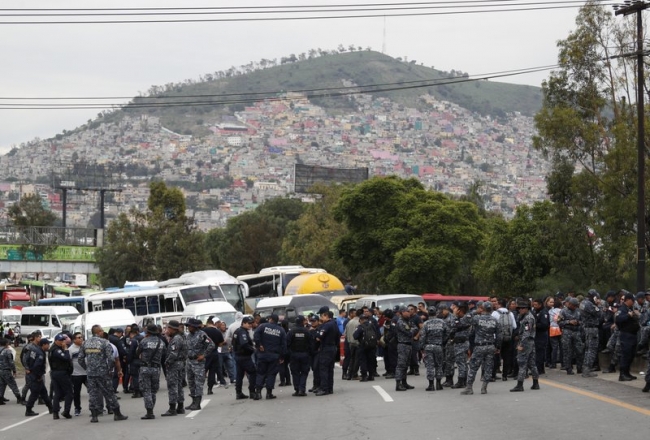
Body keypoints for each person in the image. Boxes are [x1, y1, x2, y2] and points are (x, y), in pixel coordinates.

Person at [78, 325, 127, 423]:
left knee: (93, 394)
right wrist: (109, 369)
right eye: (102, 331)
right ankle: (117, 414)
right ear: (99, 332)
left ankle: (94, 416)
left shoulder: (85, 343)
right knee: (109, 393)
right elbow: (111, 359)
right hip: (103, 373)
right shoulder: (105, 342)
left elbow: (80, 359)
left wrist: (87, 368)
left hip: (91, 373)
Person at [461, 302, 502, 395]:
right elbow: (499, 335)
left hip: (479, 346)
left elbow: (464, 320)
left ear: (482, 309)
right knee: (488, 367)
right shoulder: (495, 320)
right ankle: (484, 388)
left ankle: (469, 388)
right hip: (490, 346)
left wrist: (474, 311)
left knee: (473, 367)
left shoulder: (477, 318)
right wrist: (498, 346)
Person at [253, 314, 286, 400]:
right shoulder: (281, 330)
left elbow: (256, 335)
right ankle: (269, 393)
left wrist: (259, 344)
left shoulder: (263, 326)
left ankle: (258, 392)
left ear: (270, 319)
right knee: (271, 374)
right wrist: (282, 356)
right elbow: (283, 345)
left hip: (263, 354)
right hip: (274, 356)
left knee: (261, 373)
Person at [136, 324, 166, 420]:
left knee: (146, 390)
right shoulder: (161, 342)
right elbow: (164, 353)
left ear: (148, 332)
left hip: (145, 368)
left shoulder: (144, 341)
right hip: (156, 369)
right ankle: (151, 409)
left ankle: (149, 412)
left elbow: (137, 352)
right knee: (153, 391)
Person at [184, 318, 215, 410]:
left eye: (190, 326)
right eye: (188, 326)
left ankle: (197, 403)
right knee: (191, 382)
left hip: (198, 362)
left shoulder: (202, 335)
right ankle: (193, 401)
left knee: (198, 383)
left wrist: (204, 355)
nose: (188, 327)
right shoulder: (188, 336)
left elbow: (211, 345)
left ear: (194, 326)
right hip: (189, 361)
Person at [510, 299, 540, 392]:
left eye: (522, 308)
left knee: (522, 363)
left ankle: (520, 384)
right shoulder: (525, 317)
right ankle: (535, 383)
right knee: (531, 363)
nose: (520, 310)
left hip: (526, 342)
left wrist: (521, 345)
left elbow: (526, 333)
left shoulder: (528, 318)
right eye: (519, 308)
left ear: (527, 308)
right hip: (529, 341)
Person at [161, 320, 187, 417]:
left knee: (172, 386)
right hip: (180, 364)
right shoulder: (181, 337)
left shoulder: (176, 339)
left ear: (172, 329)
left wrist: (167, 362)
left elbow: (173, 353)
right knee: (179, 386)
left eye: (168, 328)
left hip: (174, 365)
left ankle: (172, 408)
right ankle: (180, 407)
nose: (167, 330)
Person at [419, 306, 448, 391]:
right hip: (438, 346)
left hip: (428, 346)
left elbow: (422, 336)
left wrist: (422, 347)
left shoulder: (426, 323)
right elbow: (448, 332)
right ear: (436, 313)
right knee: (439, 365)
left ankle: (431, 385)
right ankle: (439, 384)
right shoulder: (442, 322)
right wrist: (443, 341)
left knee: (430, 366)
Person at [24, 338, 53, 416]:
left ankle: (51, 407)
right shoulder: (40, 353)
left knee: (43, 392)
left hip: (33, 374)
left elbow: (26, 359)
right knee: (34, 393)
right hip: (35, 376)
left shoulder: (35, 350)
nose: (49, 346)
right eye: (48, 344)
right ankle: (28, 410)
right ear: (43, 345)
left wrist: (28, 368)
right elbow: (37, 366)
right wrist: (38, 376)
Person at [616, 292, 640, 381]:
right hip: (626, 335)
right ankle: (622, 374)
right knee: (625, 355)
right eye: (632, 300)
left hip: (633, 334)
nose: (633, 302)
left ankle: (627, 373)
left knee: (631, 355)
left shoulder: (630, 308)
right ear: (628, 300)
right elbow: (618, 319)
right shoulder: (622, 309)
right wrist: (628, 315)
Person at [315, 308, 340, 396]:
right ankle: (330, 388)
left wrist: (317, 335)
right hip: (333, 348)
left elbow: (319, 337)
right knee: (330, 369)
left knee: (324, 369)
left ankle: (324, 388)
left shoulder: (327, 325)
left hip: (326, 348)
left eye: (321, 316)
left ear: (326, 315)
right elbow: (338, 337)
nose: (321, 318)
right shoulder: (335, 324)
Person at [49, 333, 74, 419]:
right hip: (61, 373)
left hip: (56, 373)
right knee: (69, 392)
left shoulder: (55, 349)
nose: (62, 342)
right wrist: (66, 349)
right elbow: (66, 358)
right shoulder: (56, 350)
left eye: (63, 340)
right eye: (60, 340)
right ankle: (66, 411)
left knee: (58, 393)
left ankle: (55, 413)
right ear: (56, 341)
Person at [232, 316, 257, 400]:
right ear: (243, 323)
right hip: (244, 356)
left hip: (238, 356)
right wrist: (253, 350)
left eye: (251, 323)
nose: (250, 325)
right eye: (249, 323)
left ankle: (238, 393)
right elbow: (244, 344)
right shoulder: (242, 332)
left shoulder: (238, 331)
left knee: (239, 375)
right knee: (253, 372)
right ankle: (252, 391)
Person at [558, 297, 584, 375]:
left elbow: (583, 321)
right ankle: (568, 368)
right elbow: (559, 322)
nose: (574, 307)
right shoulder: (563, 311)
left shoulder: (579, 311)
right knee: (567, 351)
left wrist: (578, 322)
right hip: (567, 332)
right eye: (572, 305)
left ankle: (580, 367)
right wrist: (569, 322)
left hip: (577, 332)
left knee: (579, 350)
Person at [580, 290, 602, 377]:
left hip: (586, 328)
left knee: (587, 349)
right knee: (591, 350)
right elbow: (599, 314)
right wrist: (598, 305)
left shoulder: (583, 303)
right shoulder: (590, 304)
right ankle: (587, 370)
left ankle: (585, 368)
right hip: (592, 328)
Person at [287, 315, 311, 396]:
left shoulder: (291, 331)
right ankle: (302, 389)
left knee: (295, 372)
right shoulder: (307, 331)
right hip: (305, 354)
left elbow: (287, 343)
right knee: (304, 372)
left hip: (294, 354)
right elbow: (311, 343)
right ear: (302, 321)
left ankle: (297, 389)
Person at [450, 303, 472, 389]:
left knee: (461, 363)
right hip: (460, 343)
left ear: (460, 310)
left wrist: (455, 315)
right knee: (462, 363)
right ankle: (463, 381)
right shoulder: (462, 318)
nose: (455, 310)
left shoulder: (466, 318)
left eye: (456, 309)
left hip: (461, 343)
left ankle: (461, 381)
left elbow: (454, 325)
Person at [395, 306, 417, 391]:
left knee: (406, 365)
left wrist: (413, 329)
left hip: (409, 345)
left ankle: (404, 382)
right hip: (403, 345)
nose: (409, 313)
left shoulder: (408, 321)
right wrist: (412, 330)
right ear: (402, 312)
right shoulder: (401, 322)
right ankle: (398, 383)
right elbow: (409, 333)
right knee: (401, 365)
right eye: (407, 311)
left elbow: (415, 328)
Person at [202, 316, 225, 395]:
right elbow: (221, 343)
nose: (219, 324)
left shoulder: (203, 331)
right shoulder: (217, 332)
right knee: (212, 371)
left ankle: (198, 388)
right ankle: (210, 389)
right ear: (214, 323)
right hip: (214, 353)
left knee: (202, 370)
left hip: (204, 354)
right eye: (218, 323)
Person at [353, 314, 377, 382]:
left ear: (360, 320)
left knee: (363, 361)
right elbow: (376, 333)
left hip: (363, 346)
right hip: (372, 346)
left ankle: (364, 376)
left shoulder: (360, 327)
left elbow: (355, 336)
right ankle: (371, 375)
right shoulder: (371, 325)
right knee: (370, 360)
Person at [68, 332, 86, 416]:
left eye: (81, 337)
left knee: (93, 390)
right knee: (76, 393)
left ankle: (97, 406)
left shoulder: (85, 347)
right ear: (74, 340)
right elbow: (69, 362)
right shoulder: (71, 349)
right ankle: (77, 408)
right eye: (79, 337)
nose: (81, 339)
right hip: (76, 374)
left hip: (87, 373)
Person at [0, 337, 22, 404]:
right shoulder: (7, 351)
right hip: (6, 370)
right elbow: (11, 362)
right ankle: (19, 397)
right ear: (6, 344)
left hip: (0, 370)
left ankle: (0, 398)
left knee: (1, 384)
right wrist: (14, 370)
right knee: (12, 384)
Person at [531, 298, 550, 375]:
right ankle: (540, 369)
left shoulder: (543, 312)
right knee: (537, 352)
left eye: (536, 305)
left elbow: (544, 325)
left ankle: (539, 369)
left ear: (540, 305)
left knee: (540, 353)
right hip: (537, 335)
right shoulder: (536, 311)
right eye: (534, 305)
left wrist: (535, 325)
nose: (534, 306)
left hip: (541, 335)